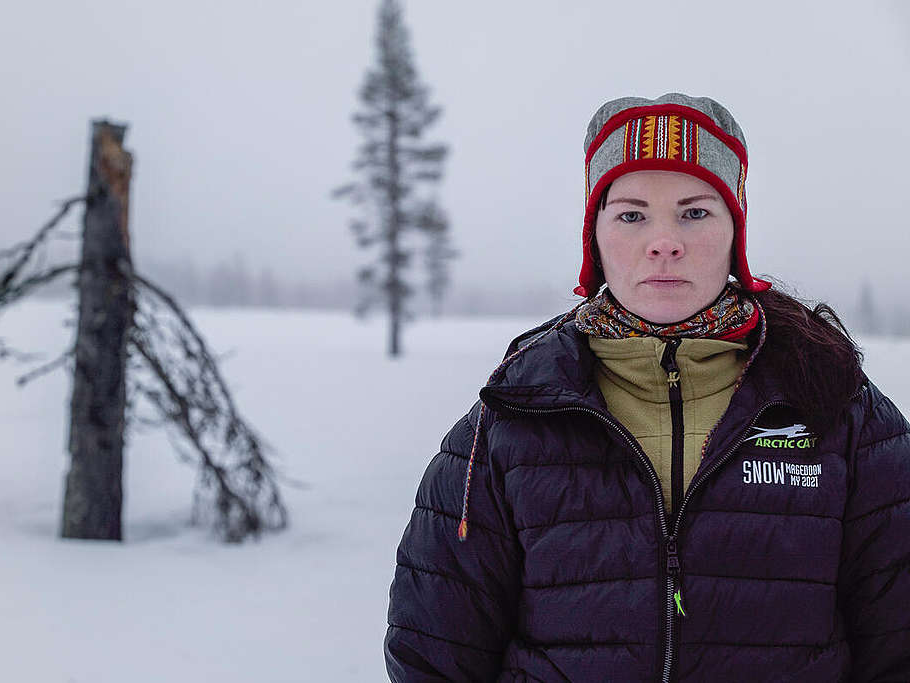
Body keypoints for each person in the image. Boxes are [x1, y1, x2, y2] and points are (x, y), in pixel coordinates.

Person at [384, 93, 910, 682]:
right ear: (597, 238)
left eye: (695, 212)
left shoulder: (840, 410)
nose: (665, 241)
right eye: (632, 214)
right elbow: (435, 651)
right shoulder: (511, 418)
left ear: (735, 229)